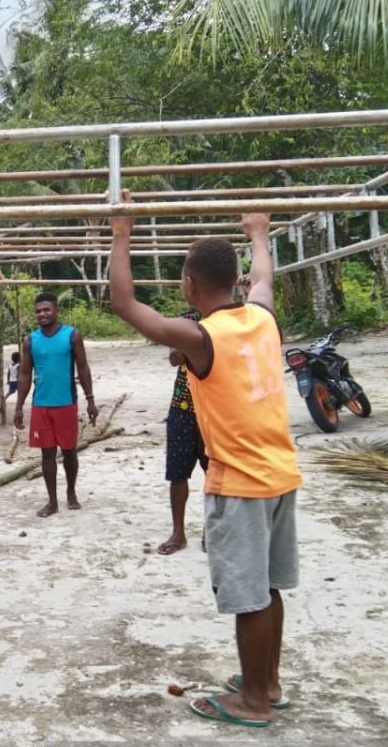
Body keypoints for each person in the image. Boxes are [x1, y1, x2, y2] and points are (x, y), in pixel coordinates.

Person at [109, 208, 301, 729]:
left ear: (188, 284)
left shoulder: (202, 337)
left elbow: (125, 303)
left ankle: (253, 702)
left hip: (240, 485)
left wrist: (121, 233)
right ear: (235, 280)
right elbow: (264, 276)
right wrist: (259, 233)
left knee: (249, 597)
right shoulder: (261, 315)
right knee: (269, 588)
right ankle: (268, 682)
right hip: (281, 475)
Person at [13, 293, 99, 516]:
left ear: (56, 310)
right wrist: (19, 406)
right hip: (41, 405)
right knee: (47, 454)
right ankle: (52, 501)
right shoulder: (30, 340)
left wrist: (90, 400)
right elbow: (24, 374)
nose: (42, 314)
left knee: (69, 451)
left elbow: (83, 368)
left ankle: (71, 492)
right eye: (38, 311)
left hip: (66, 403)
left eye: (46, 310)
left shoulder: (72, 336)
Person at [158, 311, 209, 556]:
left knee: (216, 473)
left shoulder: (220, 320)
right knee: (177, 473)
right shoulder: (183, 320)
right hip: (182, 408)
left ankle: (212, 530)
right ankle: (178, 532)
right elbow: (174, 358)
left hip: (214, 410)